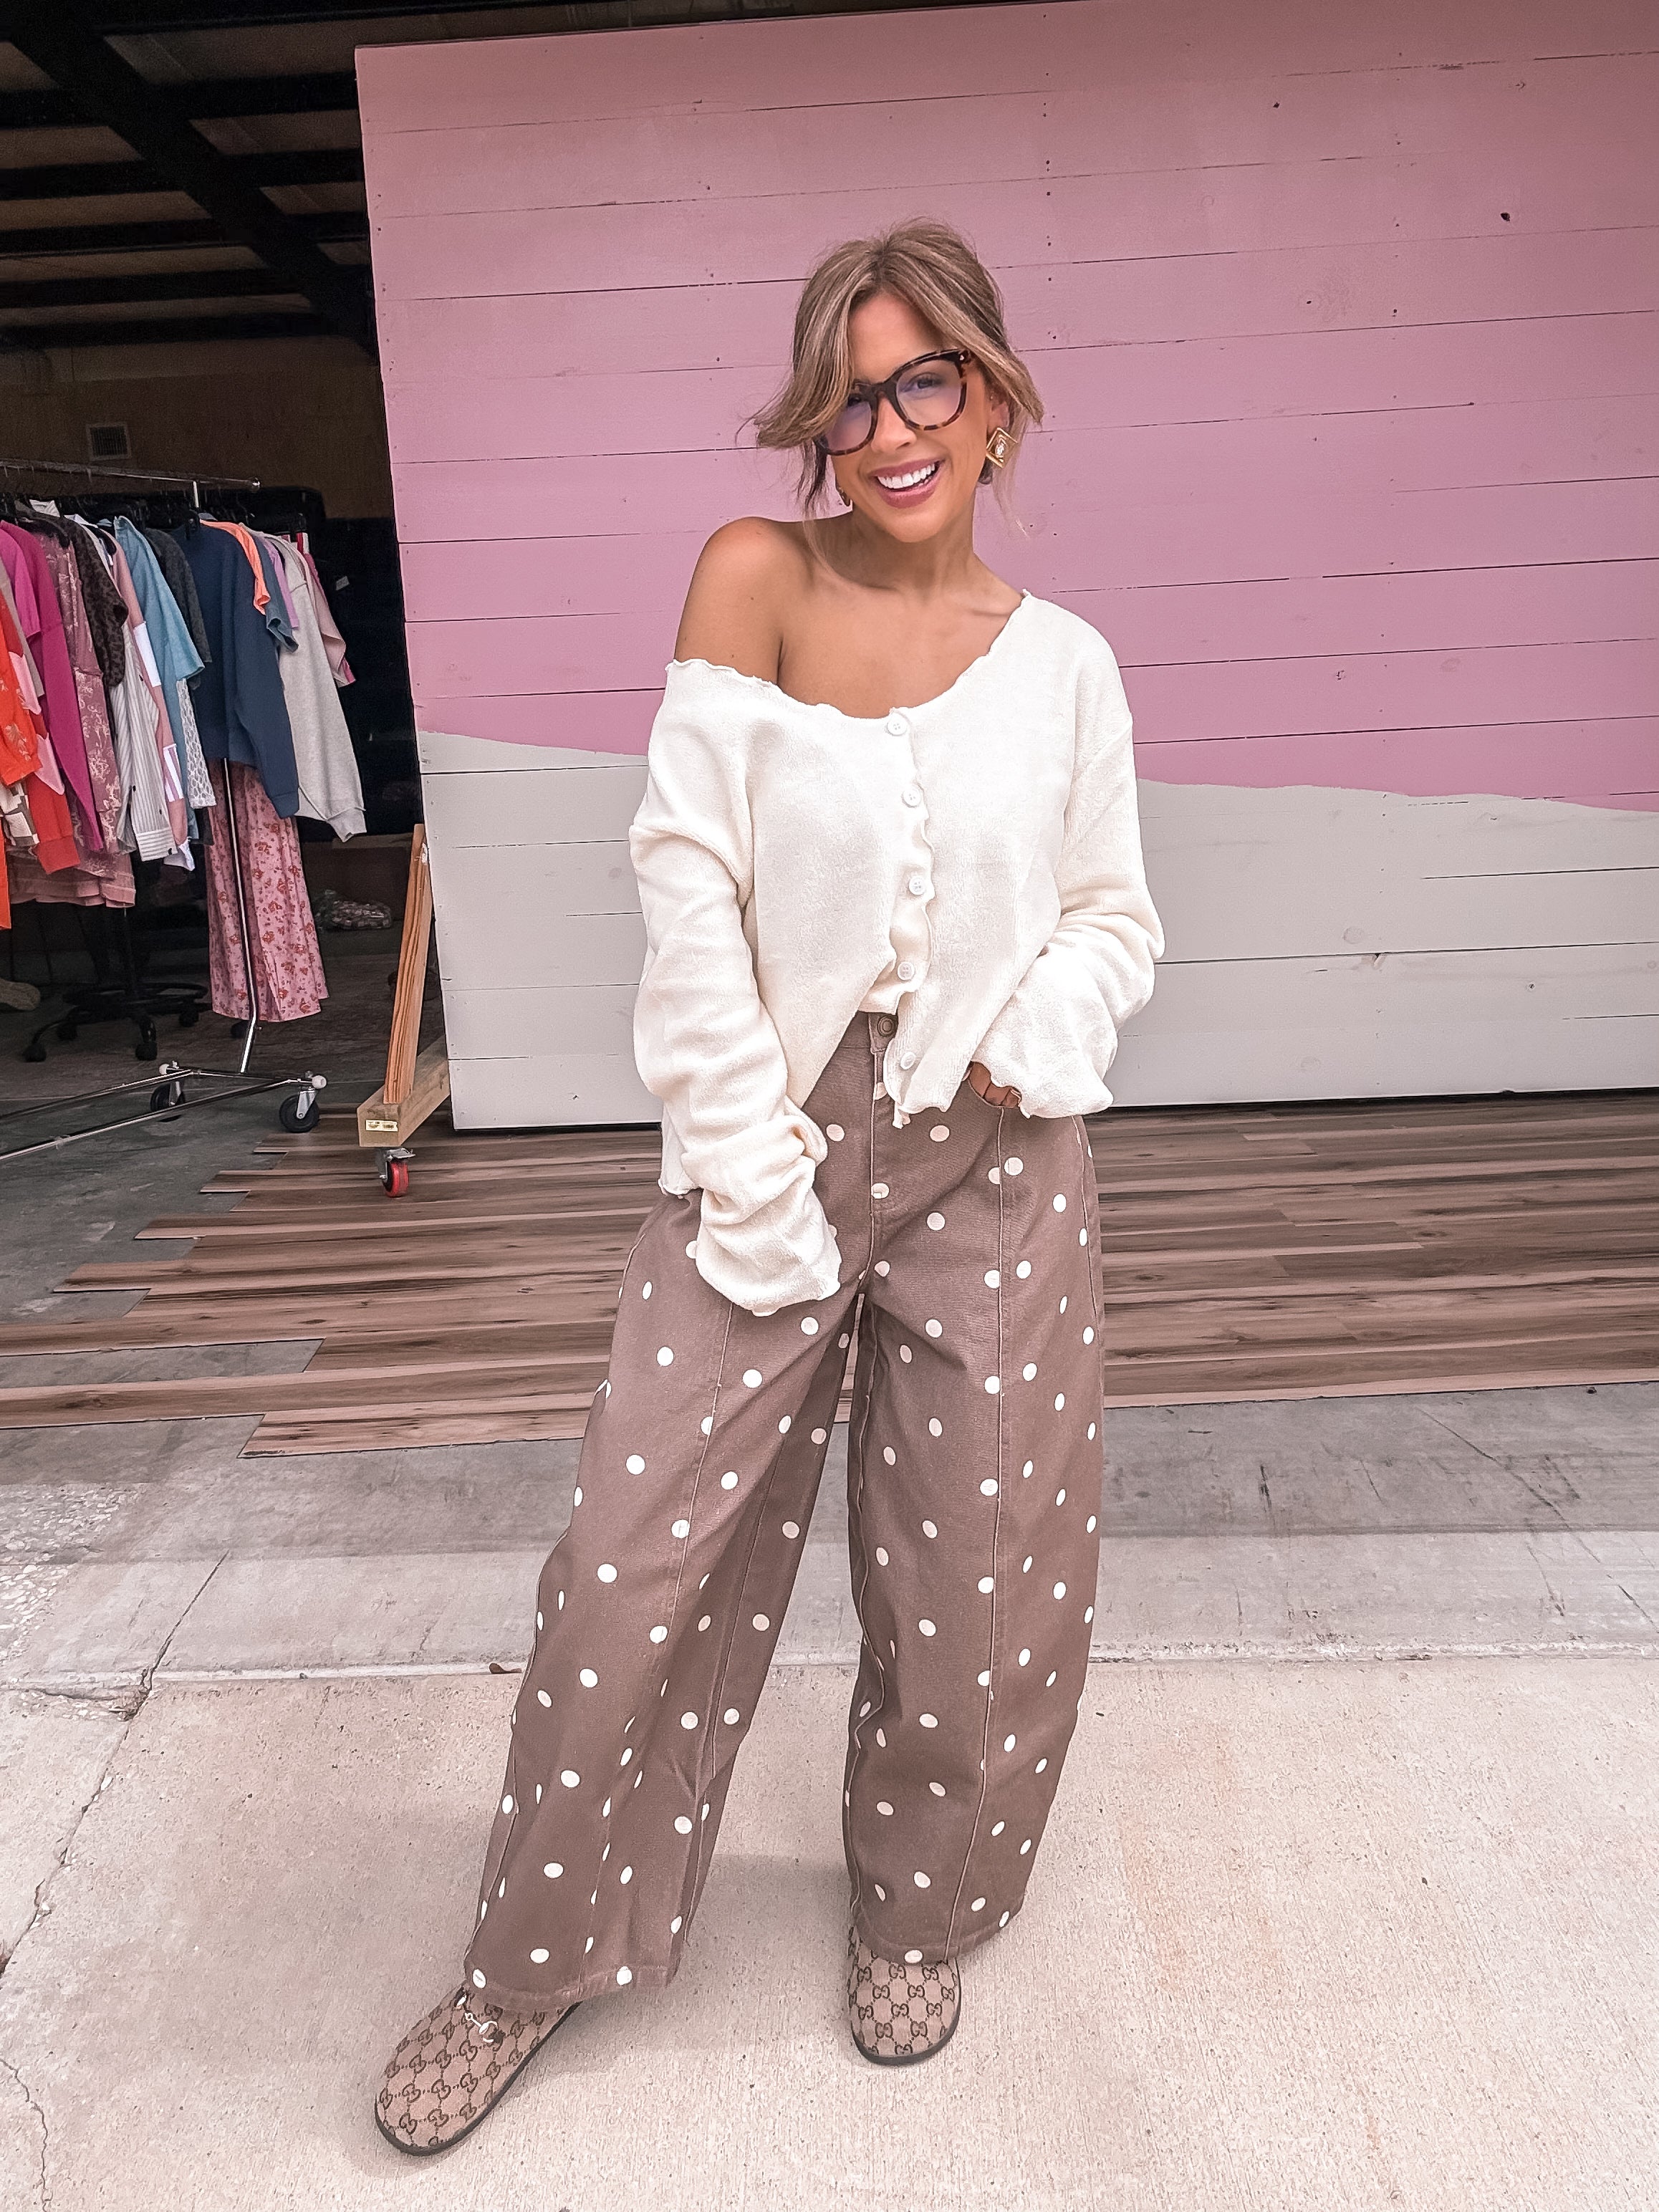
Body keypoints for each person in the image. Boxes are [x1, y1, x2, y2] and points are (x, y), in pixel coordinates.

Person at [376, 217, 1163, 2155]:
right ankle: (525, 1968)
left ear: (995, 397)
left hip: (999, 1150)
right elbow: (687, 884)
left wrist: (1029, 1035)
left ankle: (920, 1914)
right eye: (851, 396)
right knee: (629, 1564)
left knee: (984, 1570)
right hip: (773, 1128)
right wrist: (743, 1159)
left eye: (926, 382)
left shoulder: (1068, 667)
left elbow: (1110, 915)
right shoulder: (756, 573)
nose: (889, 431)